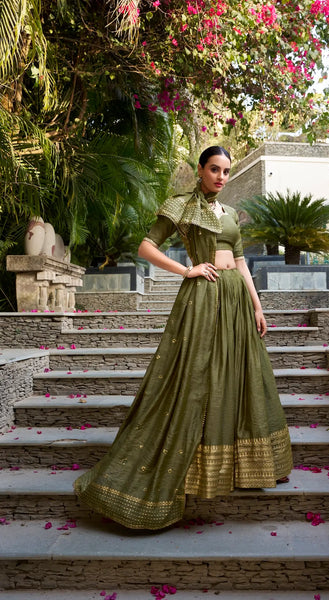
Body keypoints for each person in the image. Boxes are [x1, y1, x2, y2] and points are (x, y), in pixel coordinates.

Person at [74, 146, 292, 530]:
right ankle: (186, 467)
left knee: (241, 377)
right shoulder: (181, 206)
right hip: (204, 296)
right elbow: (146, 247)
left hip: (236, 300)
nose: (221, 177)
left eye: (226, 171)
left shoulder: (229, 214)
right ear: (201, 169)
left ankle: (248, 467)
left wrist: (258, 307)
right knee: (196, 378)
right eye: (215, 169)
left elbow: (241, 262)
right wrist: (187, 270)